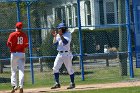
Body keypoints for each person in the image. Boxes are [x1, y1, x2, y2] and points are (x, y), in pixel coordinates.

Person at [51, 23, 75, 89]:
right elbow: (54, 44)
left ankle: (72, 83)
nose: (59, 29)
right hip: (59, 54)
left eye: (61, 28)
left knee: (69, 69)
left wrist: (61, 35)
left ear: (64, 28)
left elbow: (65, 42)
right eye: (59, 28)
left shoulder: (68, 34)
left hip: (66, 54)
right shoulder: (58, 35)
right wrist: (55, 37)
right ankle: (57, 83)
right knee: (55, 68)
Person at [7, 22, 28, 93]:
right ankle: (21, 86)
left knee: (13, 70)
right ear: (21, 28)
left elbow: (8, 44)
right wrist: (21, 46)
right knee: (21, 70)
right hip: (21, 54)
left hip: (14, 54)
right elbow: (26, 45)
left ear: (15, 27)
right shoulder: (24, 35)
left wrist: (13, 47)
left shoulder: (12, 34)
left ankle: (14, 86)